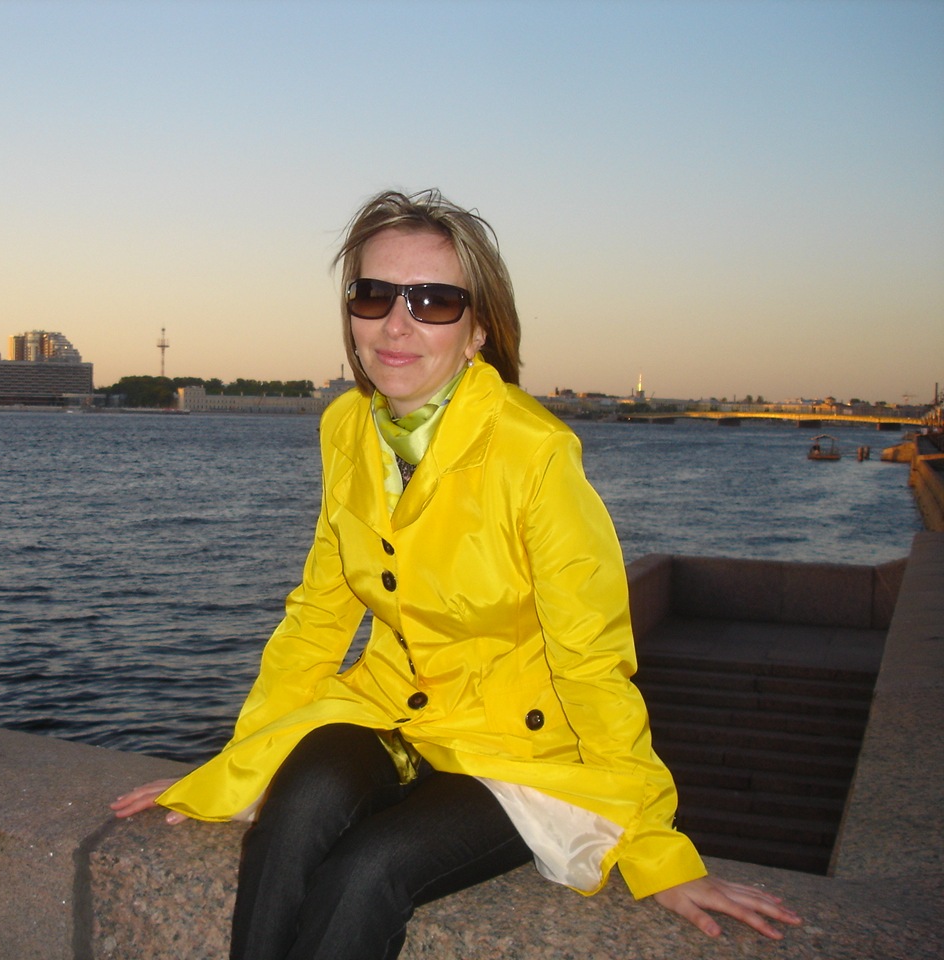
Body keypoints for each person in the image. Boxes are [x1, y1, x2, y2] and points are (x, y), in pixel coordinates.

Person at [112, 189, 802, 959]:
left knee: (368, 871)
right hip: (392, 710)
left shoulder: (534, 453)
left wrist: (657, 850)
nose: (395, 324)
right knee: (292, 810)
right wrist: (234, 768)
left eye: (433, 301)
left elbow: (592, 660)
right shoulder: (347, 427)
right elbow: (319, 612)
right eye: (373, 295)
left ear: (478, 330)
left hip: (518, 749)